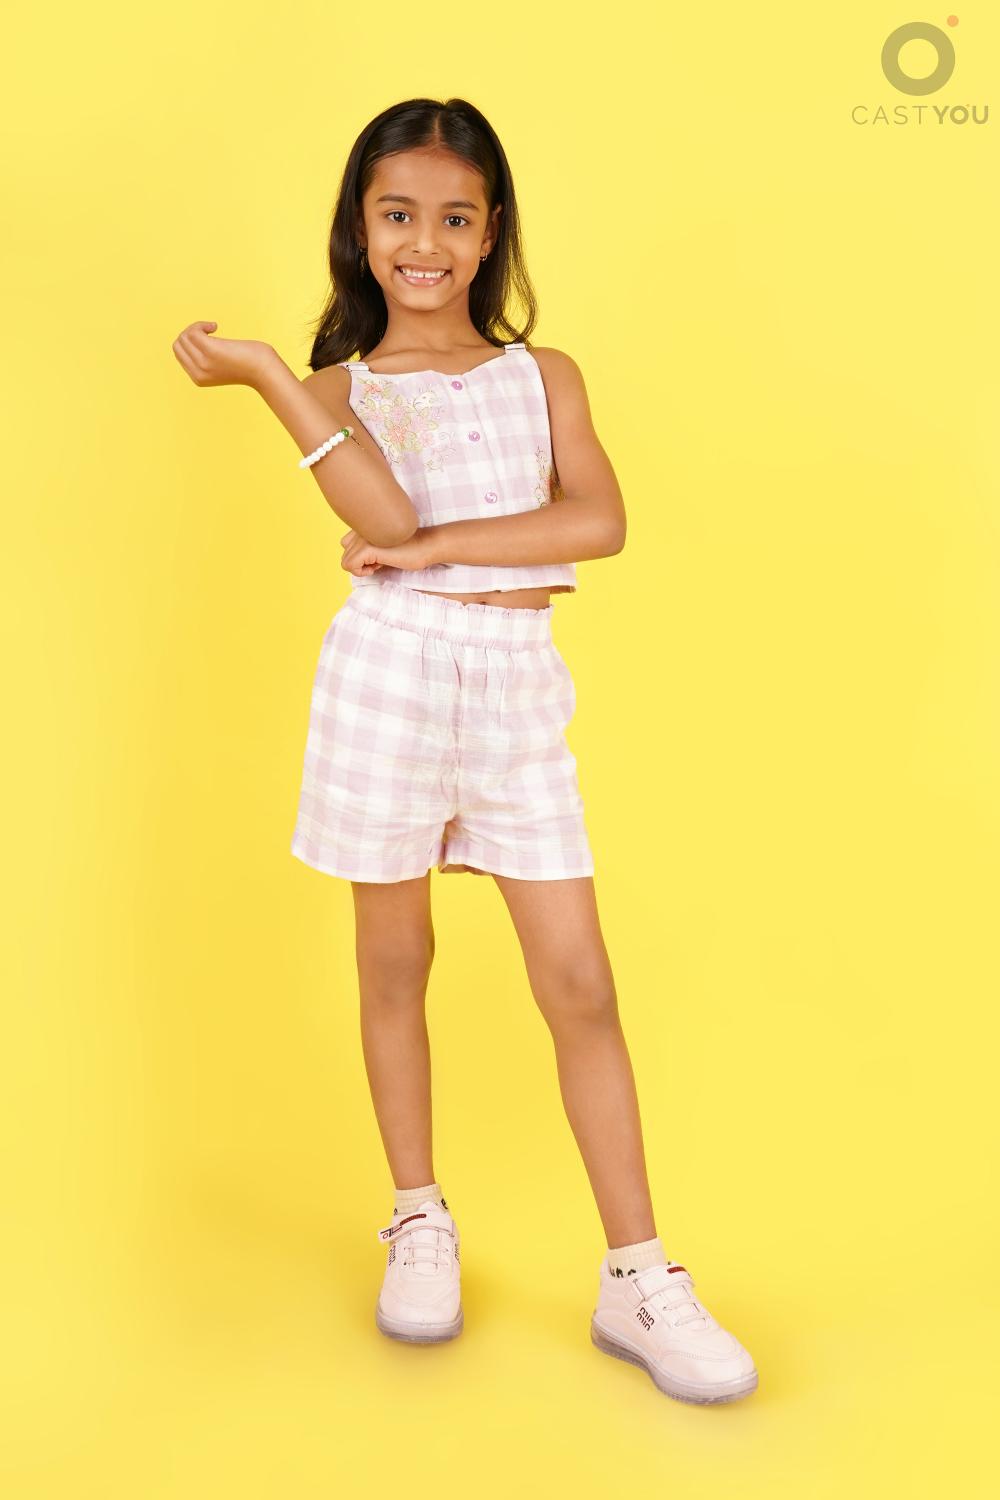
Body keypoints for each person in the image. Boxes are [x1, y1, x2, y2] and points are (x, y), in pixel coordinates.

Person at [172, 96, 758, 1405]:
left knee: (579, 981)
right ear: (360, 228)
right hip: (387, 675)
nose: (424, 243)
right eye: (398, 215)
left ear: (491, 234)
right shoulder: (338, 391)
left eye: (454, 217)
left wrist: (437, 548)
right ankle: (419, 1214)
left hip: (511, 683)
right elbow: (376, 514)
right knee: (396, 961)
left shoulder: (544, 376)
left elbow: (596, 521)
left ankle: (638, 1276)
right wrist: (269, 376)